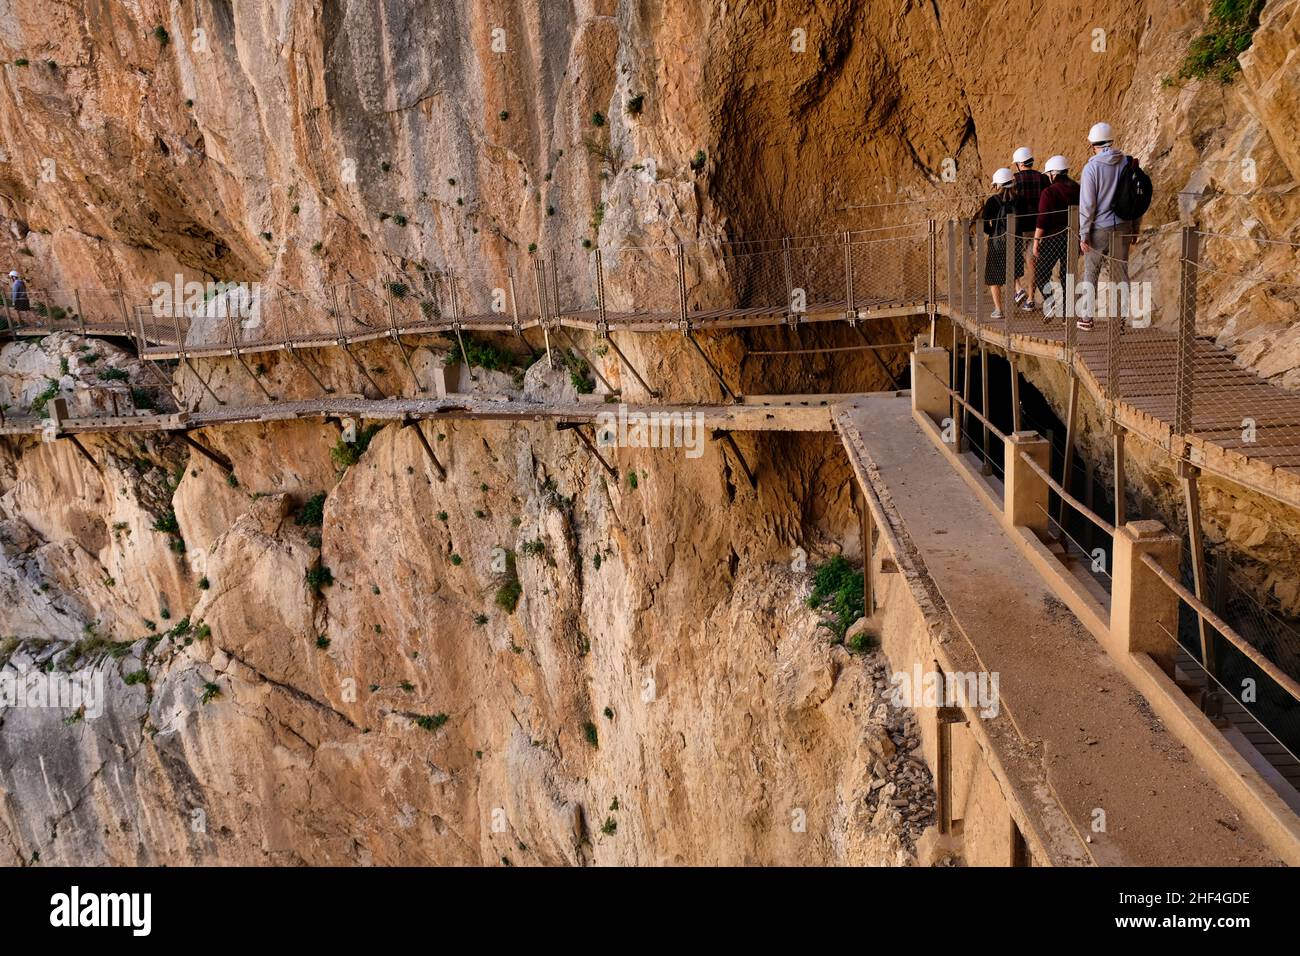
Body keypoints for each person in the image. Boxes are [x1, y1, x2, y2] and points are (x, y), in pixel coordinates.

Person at [1078, 121, 1139, 331]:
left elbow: (1087, 204)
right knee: (1121, 272)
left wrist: (1084, 233)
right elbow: (1134, 199)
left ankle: (1086, 318)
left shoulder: (1092, 167)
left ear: (1093, 144)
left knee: (1091, 271)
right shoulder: (1126, 163)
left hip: (1099, 229)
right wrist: (1134, 228)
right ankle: (1120, 321)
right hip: (1123, 225)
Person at [1032, 155, 1080, 318]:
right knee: (1068, 276)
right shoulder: (1078, 189)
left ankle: (1051, 303)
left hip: (1053, 238)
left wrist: (1036, 241)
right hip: (1073, 236)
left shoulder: (1049, 192)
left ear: (1052, 173)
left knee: (1040, 273)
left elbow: (1043, 218)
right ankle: (1068, 314)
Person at [1011, 146, 1049, 310]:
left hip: (1018, 227)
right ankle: (1031, 299)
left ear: (1019, 164)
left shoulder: (1014, 180)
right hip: (1038, 227)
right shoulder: (1043, 178)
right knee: (1032, 263)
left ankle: (1018, 289)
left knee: (1009, 259)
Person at [981, 168, 1016, 319]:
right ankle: (1018, 291)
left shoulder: (992, 201)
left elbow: (983, 224)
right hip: (1015, 241)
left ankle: (998, 309)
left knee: (993, 277)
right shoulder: (1017, 200)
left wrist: (992, 233)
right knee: (1012, 271)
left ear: (997, 185)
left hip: (997, 243)